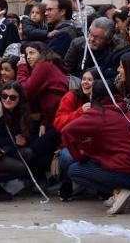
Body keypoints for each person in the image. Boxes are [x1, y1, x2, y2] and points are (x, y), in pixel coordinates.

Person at [62, 80, 130, 215]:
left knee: (74, 170)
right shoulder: (126, 111)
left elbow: (67, 131)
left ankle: (119, 191)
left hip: (125, 172)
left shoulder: (99, 113)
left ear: (95, 96)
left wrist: (79, 157)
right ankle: (123, 195)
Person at [16, 42, 67, 173]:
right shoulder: (49, 66)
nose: (28, 57)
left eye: (32, 53)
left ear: (42, 54)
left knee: (33, 150)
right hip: (53, 120)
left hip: (59, 122)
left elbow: (24, 91)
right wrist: (45, 121)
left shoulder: (43, 66)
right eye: (27, 54)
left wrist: (22, 68)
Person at [55, 69, 98, 200]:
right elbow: (58, 123)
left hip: (96, 145)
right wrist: (79, 112)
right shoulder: (71, 96)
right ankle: (67, 182)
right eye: (83, 79)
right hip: (72, 145)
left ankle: (102, 187)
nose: (85, 82)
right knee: (68, 157)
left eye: (90, 80)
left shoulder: (103, 99)